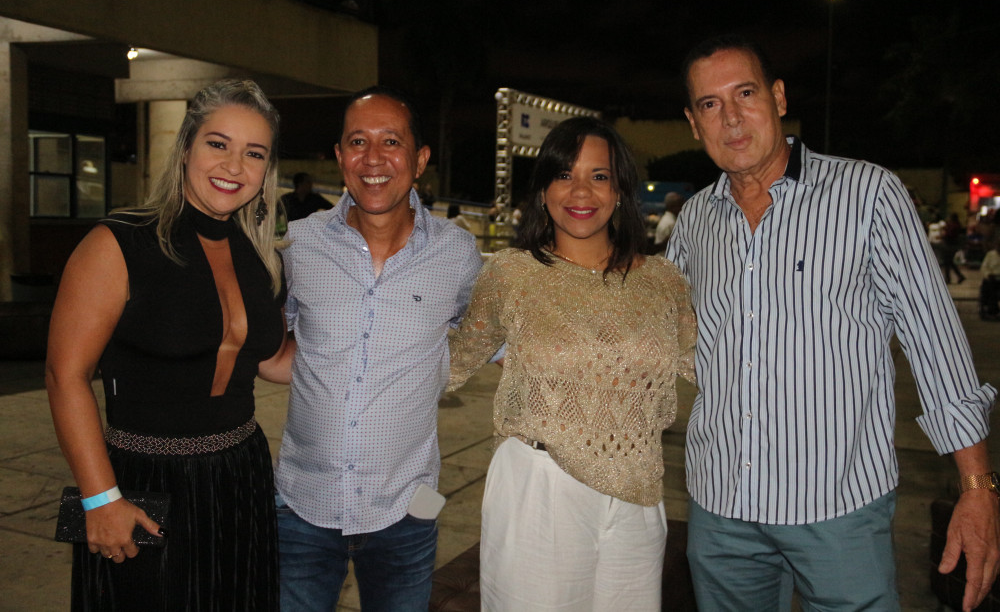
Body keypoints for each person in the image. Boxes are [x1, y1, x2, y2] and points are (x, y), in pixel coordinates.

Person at [666, 35, 999, 611]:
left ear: (778, 97)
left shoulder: (867, 194)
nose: (732, 117)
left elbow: (934, 339)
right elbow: (654, 332)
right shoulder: (696, 220)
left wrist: (977, 486)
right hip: (721, 507)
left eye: (745, 93)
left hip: (837, 507)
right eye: (710, 104)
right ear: (694, 124)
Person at [46, 79, 294, 610]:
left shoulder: (262, 260)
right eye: (217, 144)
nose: (233, 166)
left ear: (266, 170)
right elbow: (65, 376)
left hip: (241, 475)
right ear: (185, 148)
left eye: (254, 153)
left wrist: (381, 343)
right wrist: (100, 497)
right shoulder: (118, 243)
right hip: (142, 478)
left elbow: (272, 360)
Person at [448, 116, 697, 610]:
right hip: (540, 488)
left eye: (599, 176)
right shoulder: (511, 274)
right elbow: (452, 361)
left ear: (620, 191)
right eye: (564, 174)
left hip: (638, 494)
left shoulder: (663, 281)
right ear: (543, 191)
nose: (581, 191)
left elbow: (715, 367)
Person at [274, 86, 482, 611]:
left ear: (420, 159)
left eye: (391, 141)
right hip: (301, 507)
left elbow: (496, 339)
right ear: (339, 155)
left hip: (406, 512)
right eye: (358, 142)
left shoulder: (457, 254)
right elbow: (268, 344)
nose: (373, 158)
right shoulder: (298, 245)